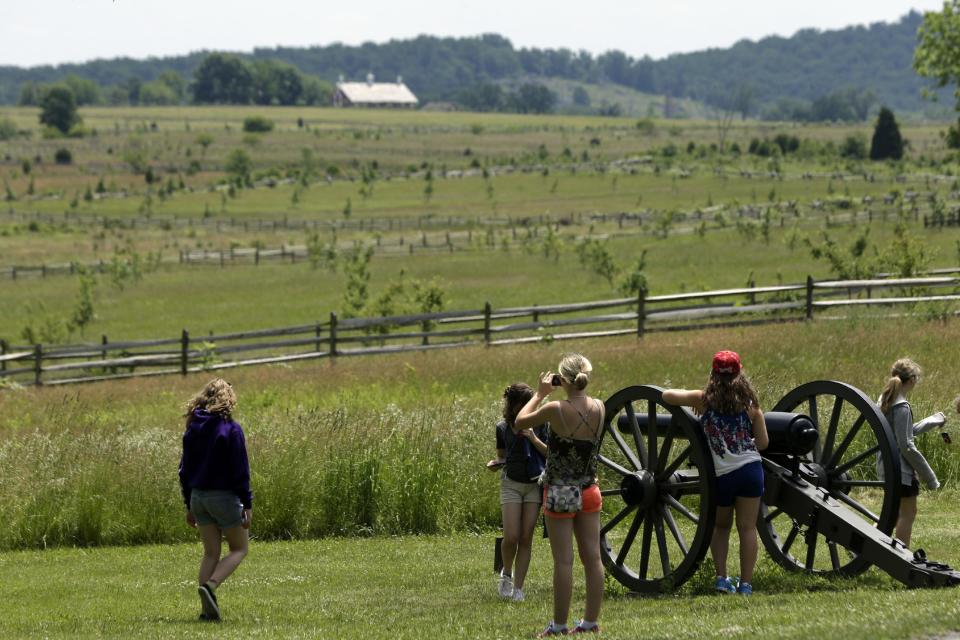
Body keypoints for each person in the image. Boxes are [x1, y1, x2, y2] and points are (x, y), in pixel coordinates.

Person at [663, 350, 768, 596]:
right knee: (748, 528)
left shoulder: (702, 400)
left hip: (723, 476)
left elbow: (666, 395)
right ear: (740, 373)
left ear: (712, 373)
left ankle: (721, 579)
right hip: (751, 471)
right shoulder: (752, 407)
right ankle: (746, 584)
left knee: (721, 527)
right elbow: (763, 443)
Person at [515, 354, 604, 636]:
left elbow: (519, 421)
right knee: (593, 558)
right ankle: (590, 623)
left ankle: (560, 625)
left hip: (560, 490)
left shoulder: (555, 408)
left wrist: (540, 393)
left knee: (564, 561)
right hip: (590, 488)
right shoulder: (600, 407)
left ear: (562, 380)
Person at [178, 378, 252, 622]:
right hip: (223, 497)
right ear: (229, 400)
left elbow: (184, 469)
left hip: (198, 497)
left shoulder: (193, 429)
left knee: (211, 552)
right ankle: (210, 586)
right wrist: (247, 503)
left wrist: (189, 504)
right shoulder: (231, 429)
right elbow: (241, 471)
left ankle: (206, 611)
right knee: (239, 548)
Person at [488, 383, 549, 602]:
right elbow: (503, 456)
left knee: (525, 537)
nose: (527, 409)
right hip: (511, 483)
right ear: (513, 406)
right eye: (522, 405)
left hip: (533, 484)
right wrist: (496, 463)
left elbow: (550, 453)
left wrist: (533, 437)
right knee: (511, 536)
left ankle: (519, 589)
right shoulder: (502, 427)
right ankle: (506, 573)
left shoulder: (541, 424)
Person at [878, 358, 943, 547]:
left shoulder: (886, 399)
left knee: (893, 514)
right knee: (908, 513)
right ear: (912, 380)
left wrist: (932, 420)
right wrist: (930, 476)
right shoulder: (902, 406)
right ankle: (902, 557)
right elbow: (906, 445)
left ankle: (860, 548)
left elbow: (902, 432)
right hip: (901, 471)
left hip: (886, 465)